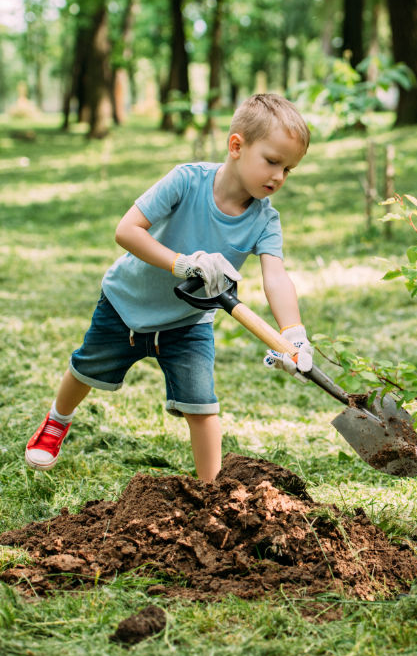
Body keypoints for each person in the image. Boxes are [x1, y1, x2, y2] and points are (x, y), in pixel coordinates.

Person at [25, 93, 313, 483]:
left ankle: (211, 492)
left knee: (202, 407)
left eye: (289, 169)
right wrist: (183, 263)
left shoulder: (265, 220)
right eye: (272, 161)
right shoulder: (186, 180)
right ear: (236, 146)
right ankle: (57, 421)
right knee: (86, 368)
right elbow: (126, 231)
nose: (279, 176)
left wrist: (292, 334)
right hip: (127, 305)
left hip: (188, 323)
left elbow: (275, 276)